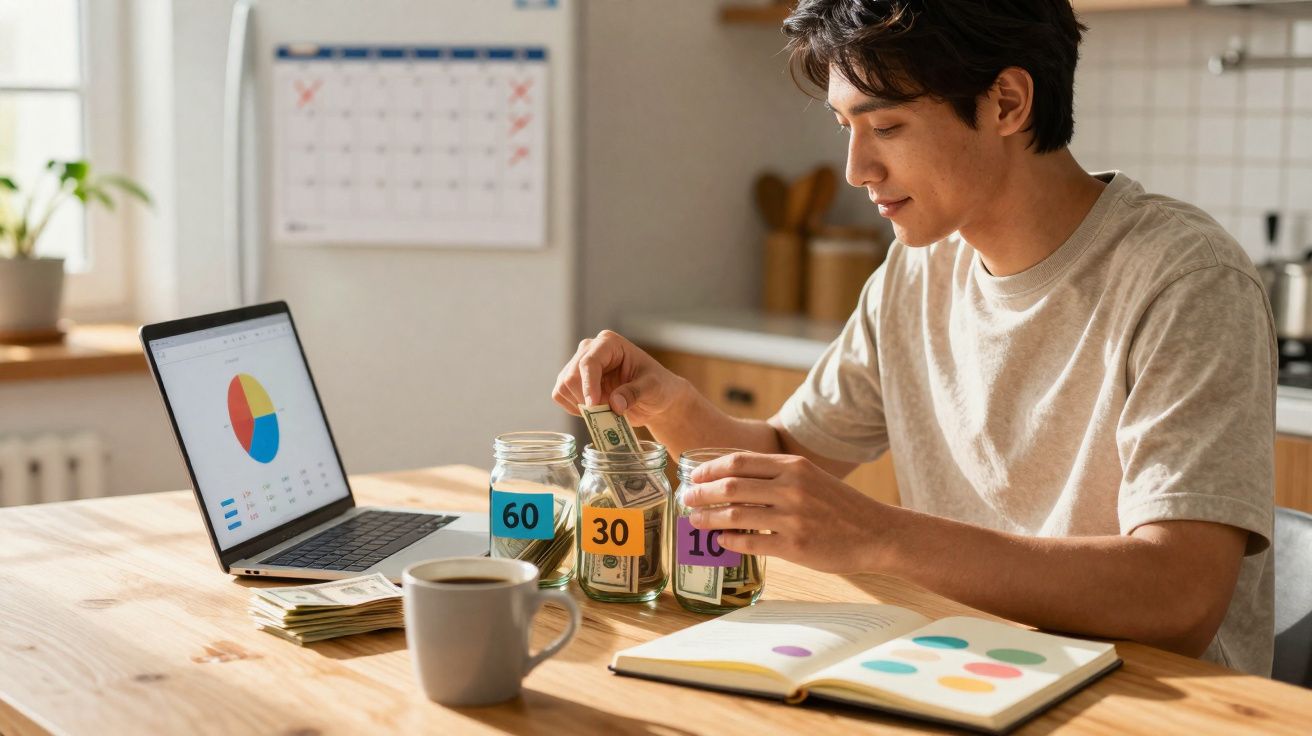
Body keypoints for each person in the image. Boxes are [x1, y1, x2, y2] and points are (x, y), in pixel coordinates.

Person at [553, 0, 1274, 675]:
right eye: (847, 129)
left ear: (1007, 104)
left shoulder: (1186, 280)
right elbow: (787, 456)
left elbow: (1178, 599)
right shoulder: (918, 268)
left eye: (887, 127)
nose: (856, 171)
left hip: (1144, 703)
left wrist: (880, 535)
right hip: (963, 670)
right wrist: (670, 408)